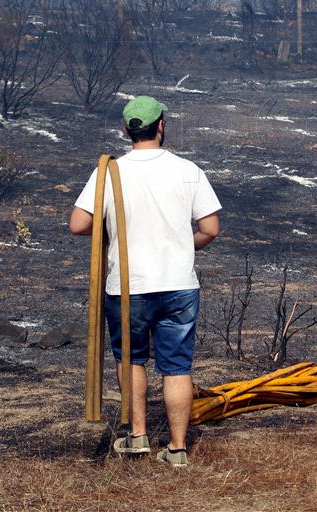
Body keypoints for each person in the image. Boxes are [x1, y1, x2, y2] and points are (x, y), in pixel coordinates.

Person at [70, 95, 221, 467]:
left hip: (128, 285)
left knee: (132, 360)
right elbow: (211, 228)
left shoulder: (110, 173)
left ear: (126, 131)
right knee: (177, 366)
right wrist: (187, 247)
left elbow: (78, 224)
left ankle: (137, 435)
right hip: (178, 285)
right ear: (162, 126)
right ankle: (178, 448)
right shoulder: (188, 170)